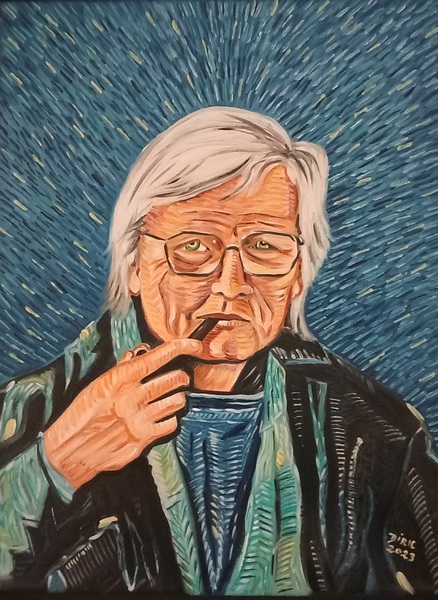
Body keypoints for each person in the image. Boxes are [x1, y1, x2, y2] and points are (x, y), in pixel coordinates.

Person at [0, 107, 437, 596]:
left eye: (264, 246)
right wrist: (59, 462)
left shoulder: (375, 434)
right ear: (134, 266)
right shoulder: (30, 412)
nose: (231, 285)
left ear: (297, 274)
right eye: (193, 246)